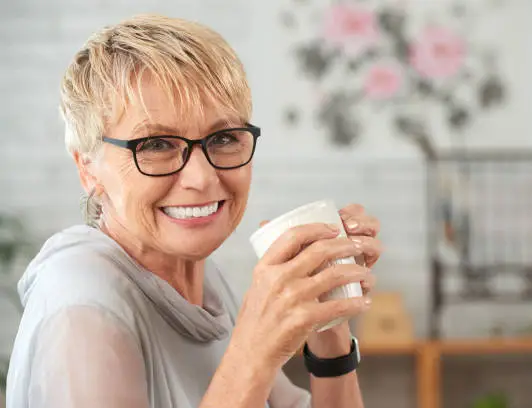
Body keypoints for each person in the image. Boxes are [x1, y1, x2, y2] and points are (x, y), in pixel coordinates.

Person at [6, 14, 382, 408]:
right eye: (154, 144)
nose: (202, 178)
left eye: (223, 138)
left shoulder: (204, 282)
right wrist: (254, 350)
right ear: (87, 169)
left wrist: (329, 327)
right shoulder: (82, 308)